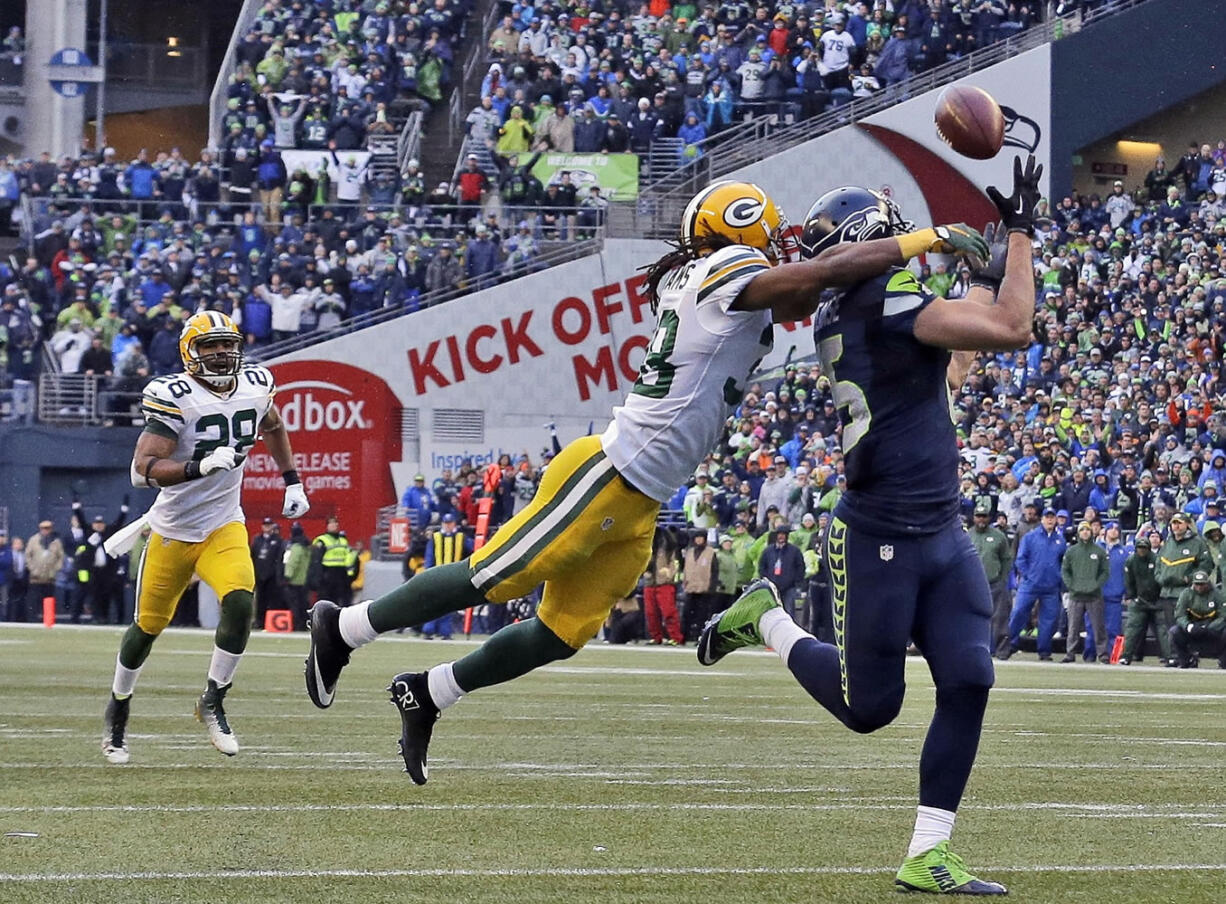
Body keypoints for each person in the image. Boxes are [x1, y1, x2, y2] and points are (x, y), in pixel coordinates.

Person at [304, 177, 989, 790]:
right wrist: (920, 239)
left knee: (560, 632)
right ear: (741, 229)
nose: (783, 241)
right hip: (608, 474)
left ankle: (428, 692)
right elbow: (814, 276)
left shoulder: (713, 277)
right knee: (495, 575)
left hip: (643, 496)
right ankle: (347, 627)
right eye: (769, 227)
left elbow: (817, 288)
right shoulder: (726, 266)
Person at [696, 157, 1041, 895]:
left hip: (940, 529)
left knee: (970, 678)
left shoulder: (861, 308)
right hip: (877, 533)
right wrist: (1021, 235)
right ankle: (768, 622)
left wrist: (976, 281)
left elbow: (944, 365)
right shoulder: (882, 303)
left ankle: (929, 852)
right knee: (869, 709)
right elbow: (1013, 327)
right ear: (877, 238)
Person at [100, 311, 310, 766]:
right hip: (174, 530)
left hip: (222, 522)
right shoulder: (175, 396)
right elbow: (142, 473)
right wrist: (199, 466)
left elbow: (272, 425)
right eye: (208, 346)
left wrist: (291, 480)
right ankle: (118, 706)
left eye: (225, 344)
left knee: (240, 601)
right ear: (188, 352)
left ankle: (213, 699)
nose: (219, 353)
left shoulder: (256, 384)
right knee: (147, 627)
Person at [1002, 506, 1066, 660]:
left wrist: (1059, 580)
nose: (1050, 520)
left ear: (1056, 520)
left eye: (1052, 517)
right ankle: (1009, 645)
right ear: (1042, 519)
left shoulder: (1060, 540)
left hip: (1051, 586)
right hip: (1030, 584)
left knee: (1049, 619)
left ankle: (1044, 651)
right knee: (1018, 613)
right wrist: (1029, 575)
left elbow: (1064, 563)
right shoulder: (1030, 537)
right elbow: (1020, 559)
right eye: (1047, 517)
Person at [1060, 521, 1109, 663]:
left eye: (1087, 530)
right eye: (1082, 530)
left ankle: (1103, 654)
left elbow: (1105, 572)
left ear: (1091, 532)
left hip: (1094, 595)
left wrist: (1096, 584)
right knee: (1073, 627)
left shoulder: (1099, 551)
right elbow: (1065, 571)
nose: (1085, 532)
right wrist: (1071, 585)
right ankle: (1070, 653)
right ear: (1079, 533)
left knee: (1098, 626)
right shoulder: (1071, 551)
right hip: (1076, 595)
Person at [969, 497, 1012, 657]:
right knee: (972, 618)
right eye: (979, 516)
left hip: (994, 582)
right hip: (972, 584)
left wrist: (1002, 578)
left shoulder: (998, 536)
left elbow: (1006, 559)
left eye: (984, 516)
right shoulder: (967, 536)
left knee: (999, 618)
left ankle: (1001, 651)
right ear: (973, 517)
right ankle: (973, 650)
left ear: (989, 518)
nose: (981, 519)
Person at [419, 513, 472, 639]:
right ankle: (428, 630)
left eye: (450, 523)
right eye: (446, 523)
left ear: (454, 524)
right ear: (442, 524)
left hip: (453, 576)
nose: (448, 526)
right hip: (437, 576)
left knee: (449, 605)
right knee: (434, 604)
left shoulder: (461, 537)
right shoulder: (436, 537)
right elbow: (429, 556)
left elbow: (473, 548)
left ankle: (445, 632)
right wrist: (428, 573)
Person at [1120, 536, 1165, 665]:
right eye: (1139, 548)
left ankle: (1168, 656)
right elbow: (1129, 581)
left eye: (1144, 548)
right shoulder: (1131, 561)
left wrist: (1160, 597)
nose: (1142, 551)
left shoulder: (1156, 560)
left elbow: (1160, 579)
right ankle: (1126, 656)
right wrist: (1131, 596)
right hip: (1139, 600)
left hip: (1156, 600)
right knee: (1132, 629)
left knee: (1162, 630)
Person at [1167, 570, 1226, 668]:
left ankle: (1223, 660)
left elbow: (1223, 615)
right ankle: (1186, 659)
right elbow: (1180, 615)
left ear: (1207, 583)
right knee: (1175, 631)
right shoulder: (1186, 594)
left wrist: (1210, 627)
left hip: (1212, 630)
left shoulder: (1217, 594)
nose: (1199, 587)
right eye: (1197, 584)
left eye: (1202, 584)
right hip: (1193, 628)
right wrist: (1189, 626)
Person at [24, 519, 65, 624]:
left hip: (50, 578)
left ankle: (48, 620)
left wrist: (56, 569)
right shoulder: (33, 540)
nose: (46, 531)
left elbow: (60, 557)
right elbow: (28, 556)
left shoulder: (56, 542)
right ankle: (32, 620)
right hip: (36, 578)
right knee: (33, 601)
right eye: (43, 528)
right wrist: (33, 569)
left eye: (48, 528)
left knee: (49, 601)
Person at [251, 517, 286, 628]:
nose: (267, 527)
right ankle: (259, 621)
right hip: (259, 575)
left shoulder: (278, 540)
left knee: (272, 600)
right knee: (260, 600)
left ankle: (271, 623)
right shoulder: (257, 540)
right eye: (265, 525)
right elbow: (253, 556)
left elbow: (279, 559)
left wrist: (277, 574)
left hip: (272, 576)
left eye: (269, 525)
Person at [310, 516, 352, 607]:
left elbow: (349, 558)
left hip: (341, 575)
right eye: (331, 523)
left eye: (336, 523)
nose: (335, 525)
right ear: (327, 526)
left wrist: (350, 575)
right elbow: (316, 561)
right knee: (326, 602)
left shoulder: (343, 541)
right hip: (327, 575)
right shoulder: (322, 540)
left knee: (341, 603)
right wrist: (318, 578)